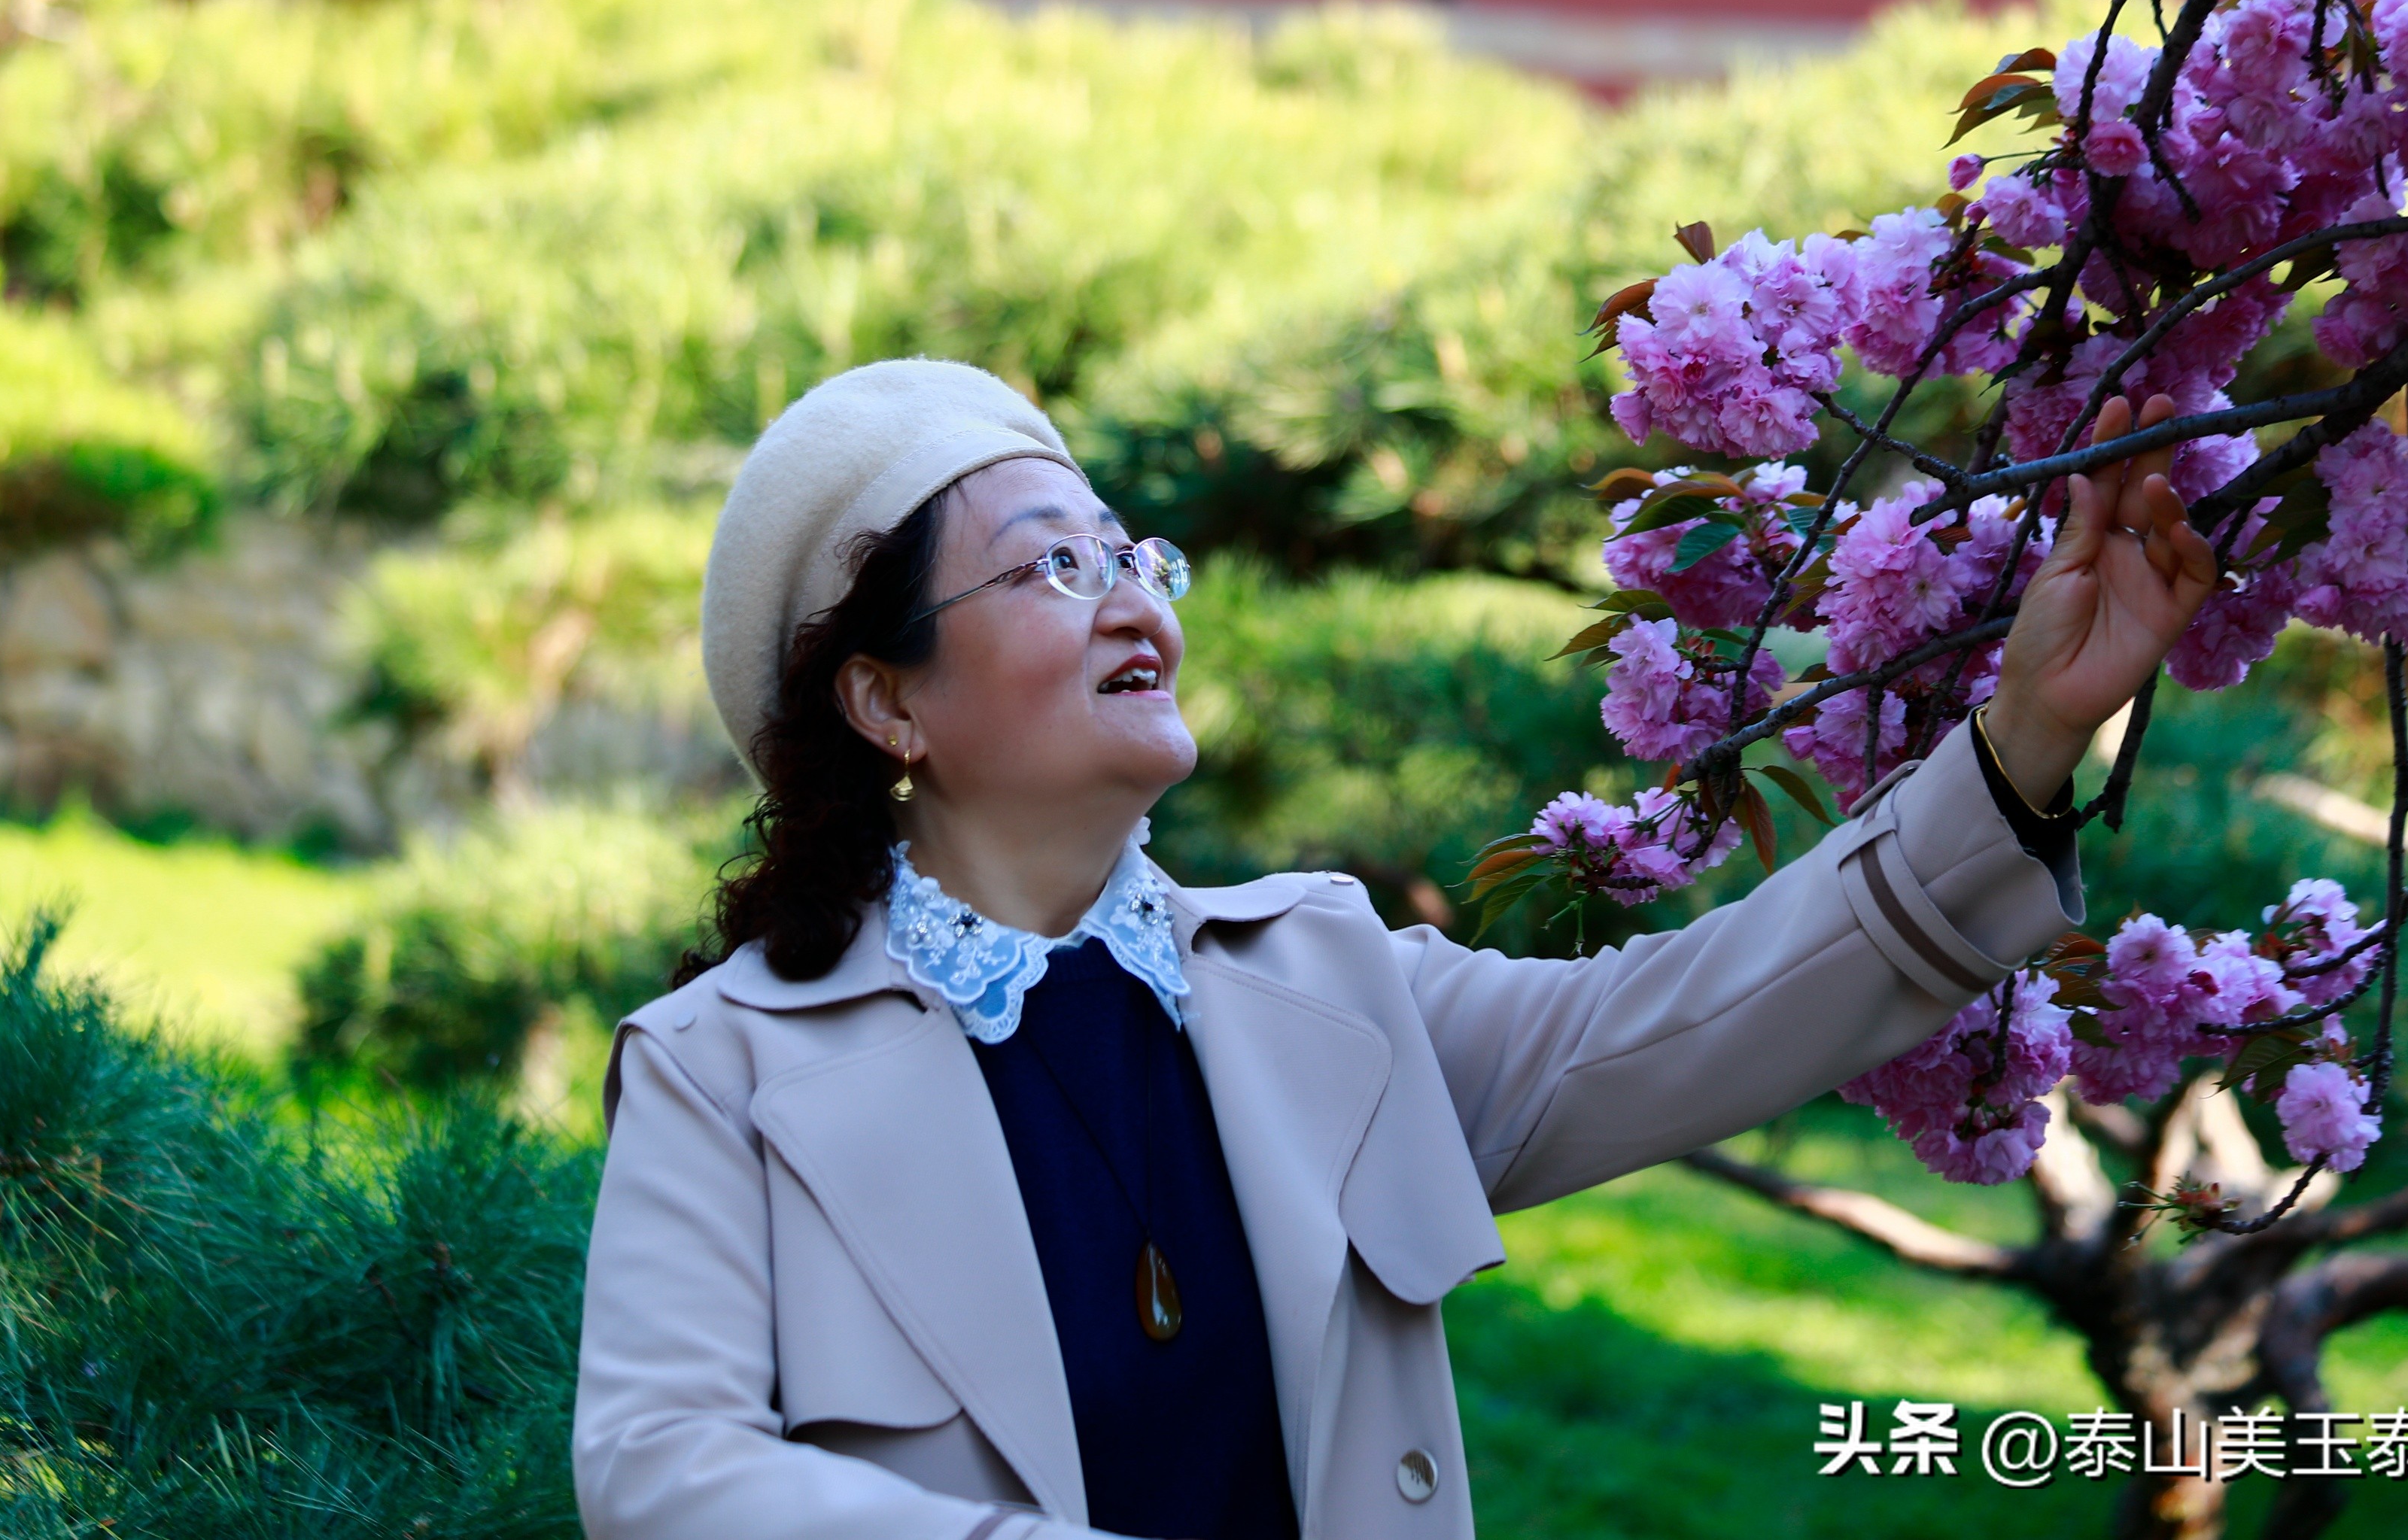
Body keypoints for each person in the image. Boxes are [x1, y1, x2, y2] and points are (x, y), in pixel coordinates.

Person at [573, 356, 2220, 1540]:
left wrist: (2021, 739)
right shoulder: (729, 1069)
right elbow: (659, 1461)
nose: (1136, 602)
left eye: (1133, 553)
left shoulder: (1324, 980)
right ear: (886, 698)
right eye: (1053, 566)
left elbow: (1704, 1013)